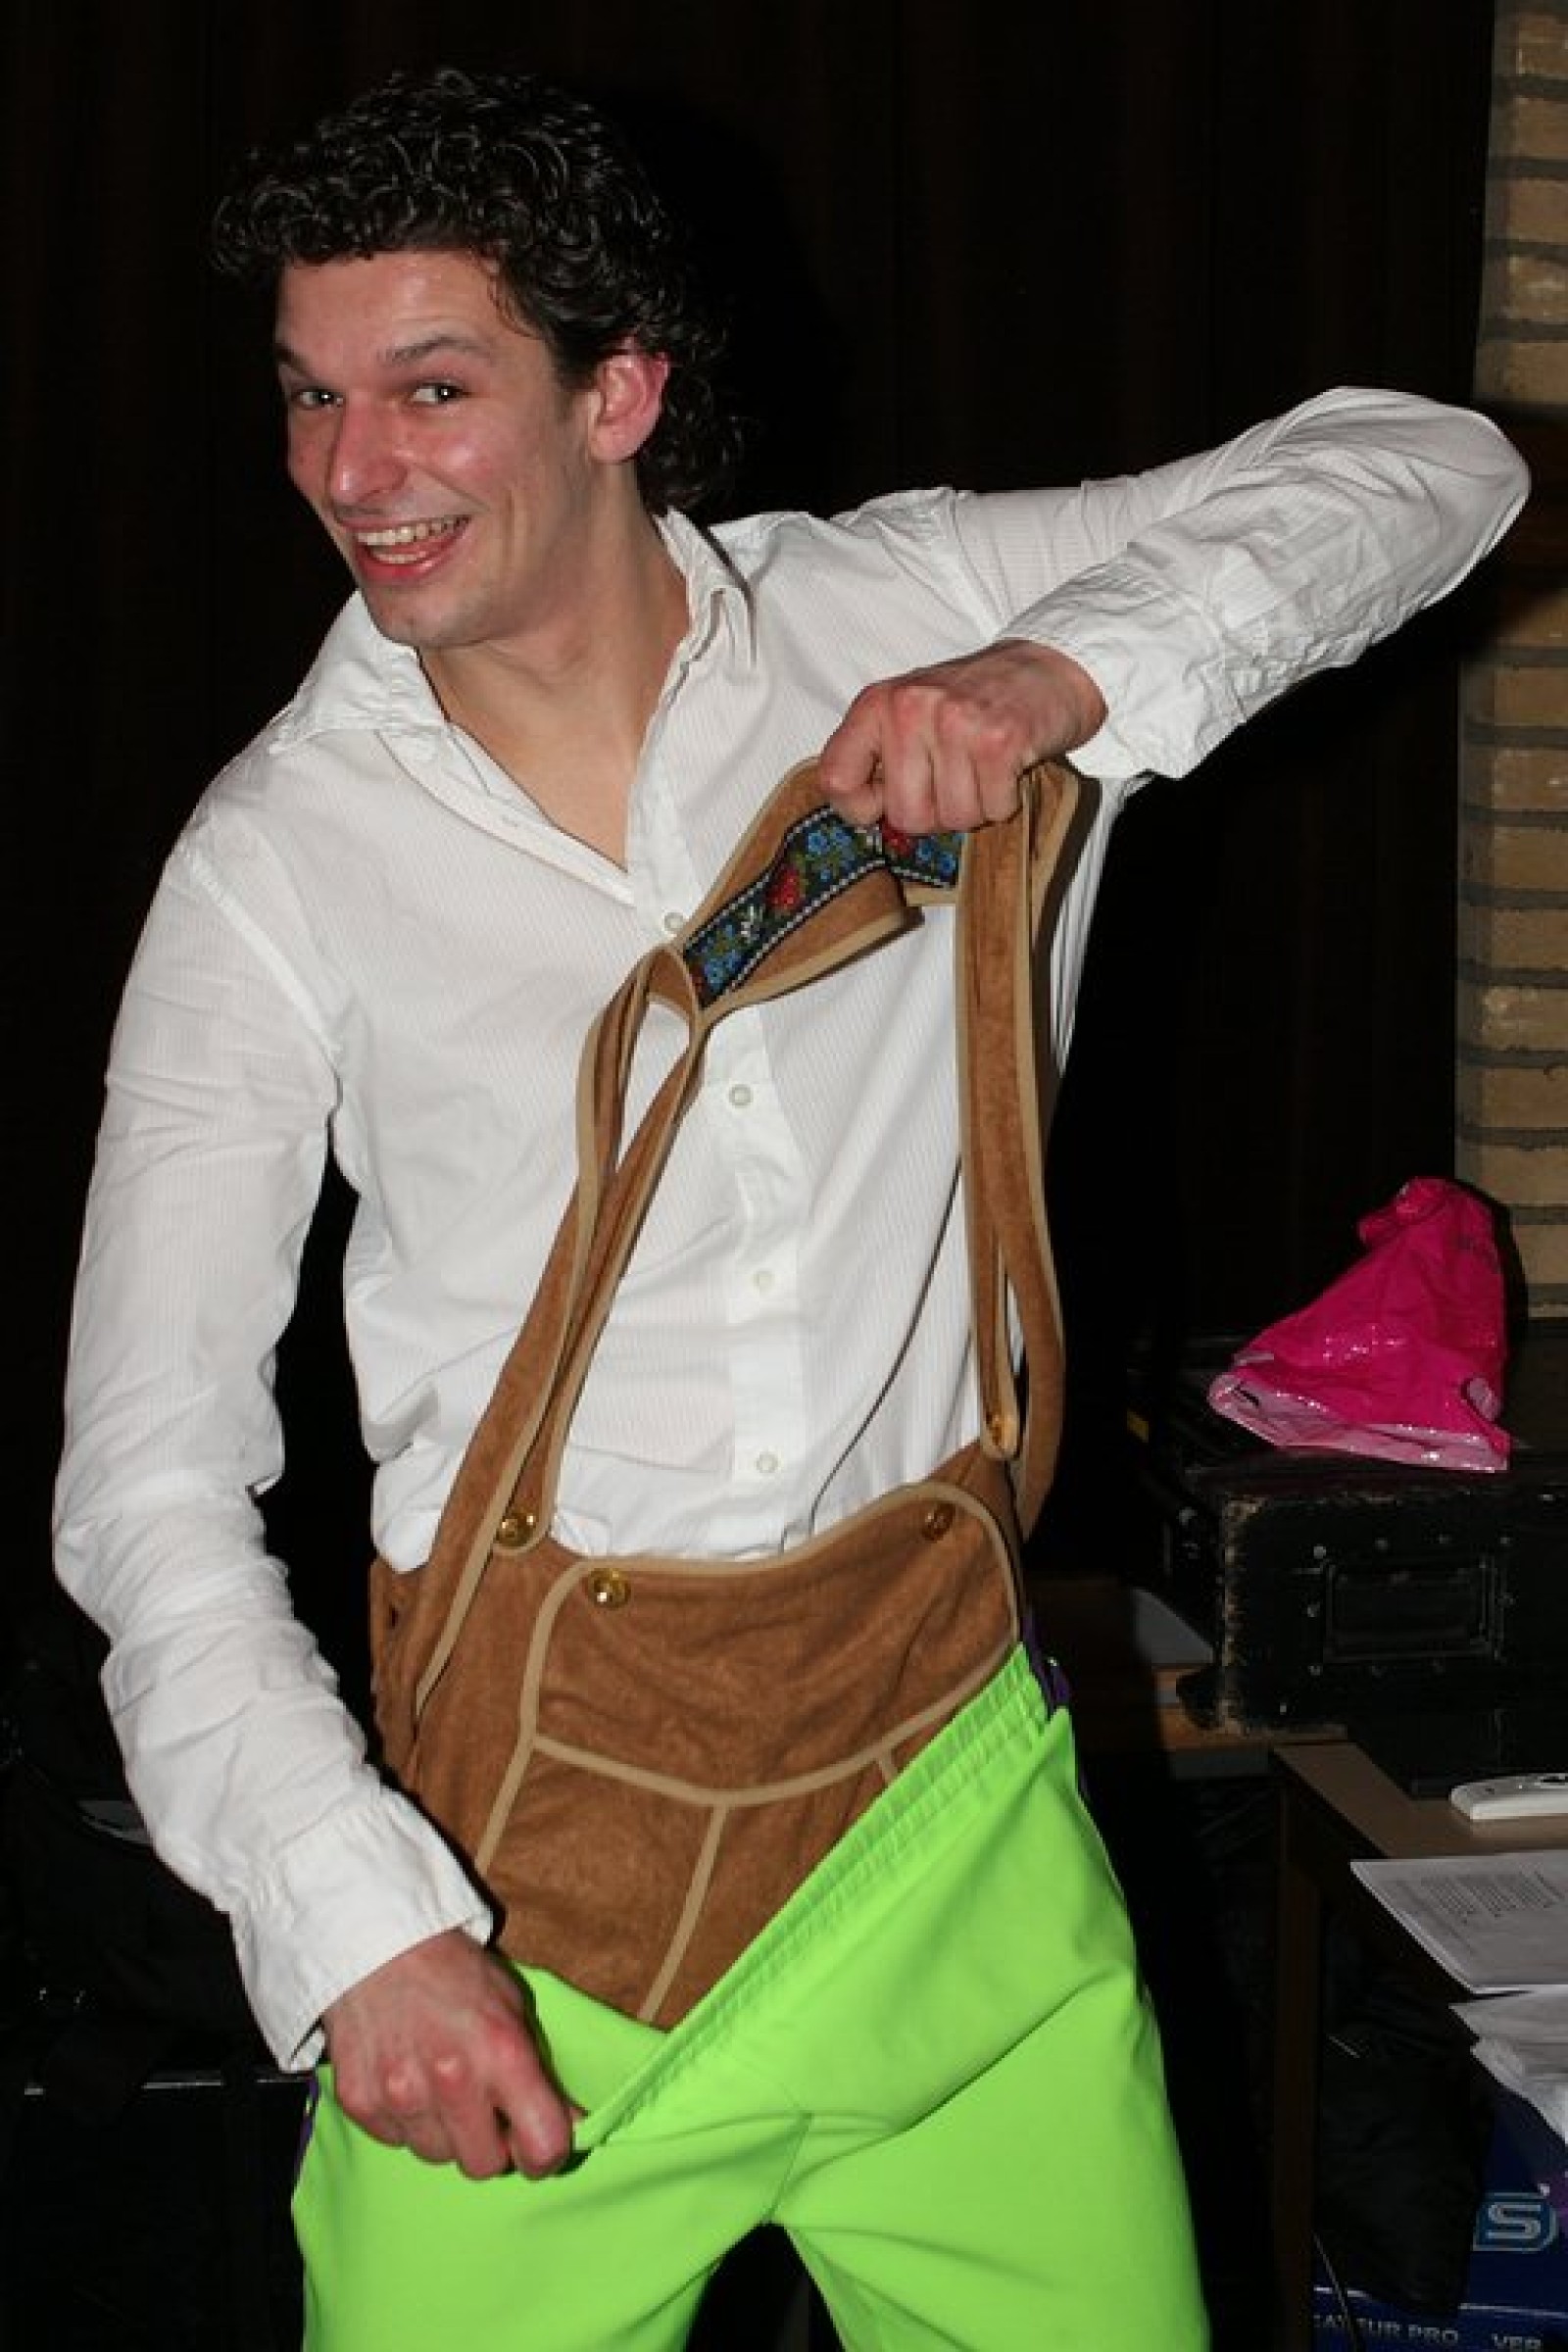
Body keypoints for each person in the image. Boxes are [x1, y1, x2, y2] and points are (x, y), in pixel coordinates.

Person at [53, 61, 1527, 2352]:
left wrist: (1060, 676)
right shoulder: (275, 863)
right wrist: (356, 1922)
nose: (351, 470)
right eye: (310, 397)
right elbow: (144, 1479)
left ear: (618, 393)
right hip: (534, 1911)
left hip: (953, 1821)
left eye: (429, 390)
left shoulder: (903, 599)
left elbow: (1433, 463)